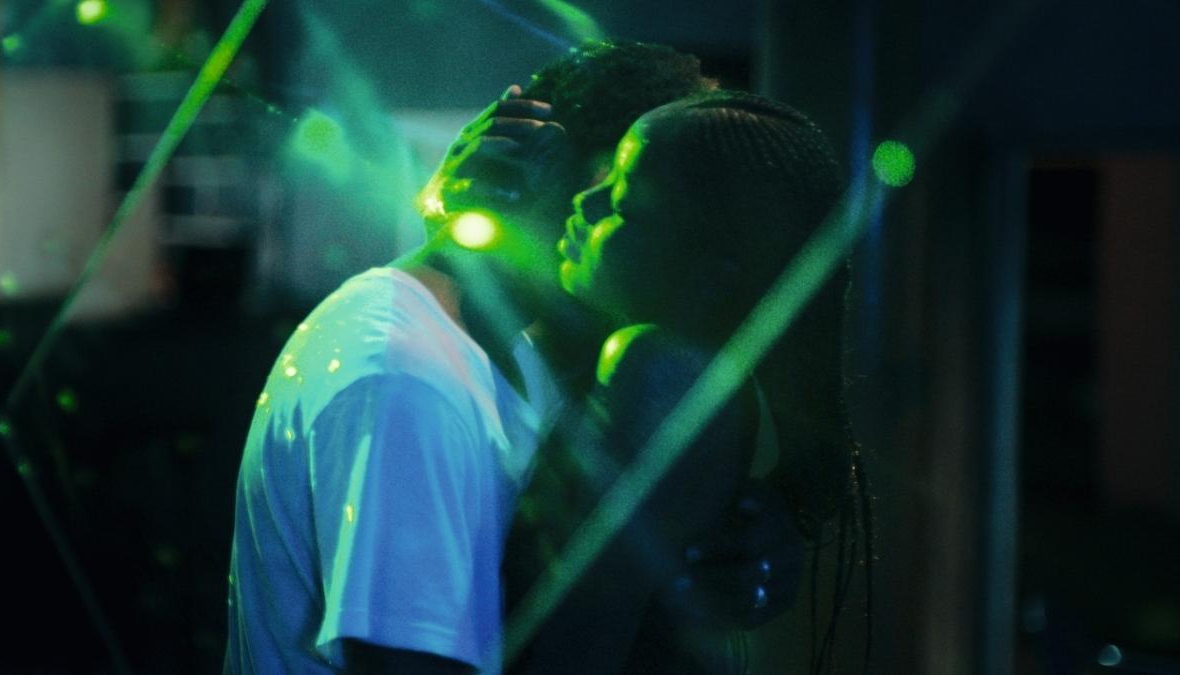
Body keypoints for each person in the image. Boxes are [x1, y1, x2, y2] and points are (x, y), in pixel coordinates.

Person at [225, 42, 804, 675]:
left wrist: (723, 545)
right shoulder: (404, 380)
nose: (679, 250)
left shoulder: (524, 357)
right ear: (541, 171)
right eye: (642, 201)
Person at [501, 89, 860, 674]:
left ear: (712, 272)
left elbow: (587, 619)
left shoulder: (652, 366)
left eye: (619, 201)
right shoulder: (722, 384)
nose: (584, 203)